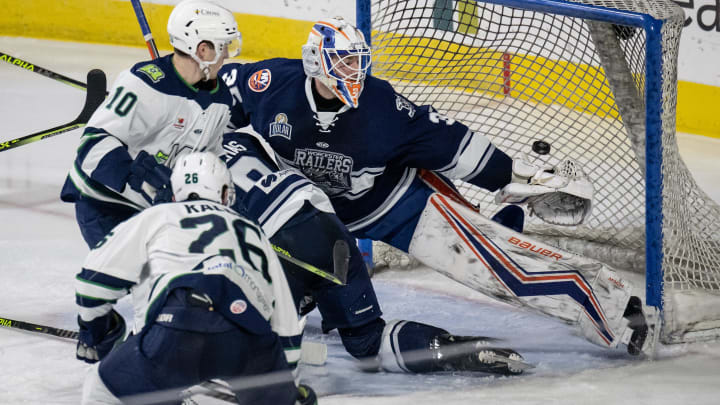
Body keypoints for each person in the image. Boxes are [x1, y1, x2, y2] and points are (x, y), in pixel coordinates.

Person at [218, 16, 649, 360]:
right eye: (343, 62)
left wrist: (517, 179)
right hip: (319, 216)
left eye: (357, 60)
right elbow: (218, 97)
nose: (354, 71)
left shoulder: (383, 107)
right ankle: (313, 296)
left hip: (398, 204)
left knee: (498, 265)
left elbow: (453, 144)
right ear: (315, 60)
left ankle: (614, 308)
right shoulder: (272, 85)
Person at [223, 129, 528, 375]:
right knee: (368, 339)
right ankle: (450, 346)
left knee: (233, 315)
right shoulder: (242, 138)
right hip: (326, 225)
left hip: (278, 246)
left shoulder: (180, 174)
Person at [75, 152, 315, 404]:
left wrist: (95, 332)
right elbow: (286, 325)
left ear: (176, 193)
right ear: (224, 194)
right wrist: (284, 389)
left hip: (179, 327)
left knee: (100, 388)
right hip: (250, 339)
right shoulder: (254, 232)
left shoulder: (160, 216)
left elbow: (92, 283)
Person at [61, 0, 241, 248]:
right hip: (107, 205)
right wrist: (148, 179)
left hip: (159, 211)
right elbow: (93, 145)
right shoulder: (143, 84)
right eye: (223, 47)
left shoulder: (221, 99)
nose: (227, 55)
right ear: (202, 50)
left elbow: (210, 158)